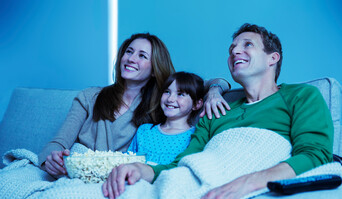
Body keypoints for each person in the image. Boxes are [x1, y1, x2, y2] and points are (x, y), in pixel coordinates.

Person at [105, 23, 334, 199]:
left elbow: (315, 154)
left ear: (272, 58)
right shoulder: (217, 110)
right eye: (231, 48)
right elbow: (182, 165)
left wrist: (246, 183)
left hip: (239, 180)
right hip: (192, 180)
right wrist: (140, 170)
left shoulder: (301, 95)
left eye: (247, 45)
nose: (234, 51)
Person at [39, 33, 230, 178]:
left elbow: (205, 84)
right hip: (80, 172)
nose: (131, 59)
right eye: (129, 52)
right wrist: (51, 160)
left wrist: (214, 91)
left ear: (155, 68)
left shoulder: (161, 103)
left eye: (142, 56)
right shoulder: (90, 97)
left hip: (120, 176)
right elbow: (59, 142)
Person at [103, 71, 205, 199]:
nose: (170, 99)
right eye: (167, 92)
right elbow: (128, 161)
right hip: (132, 190)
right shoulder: (144, 131)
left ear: (197, 104)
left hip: (166, 195)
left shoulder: (194, 137)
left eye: (180, 94)